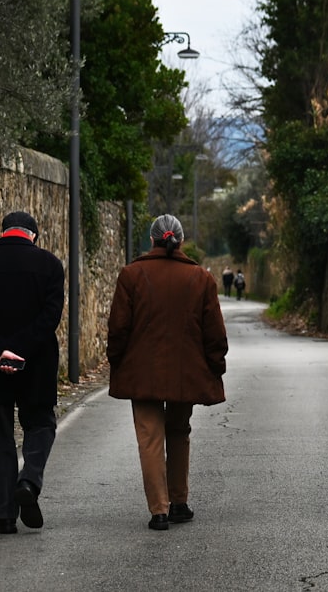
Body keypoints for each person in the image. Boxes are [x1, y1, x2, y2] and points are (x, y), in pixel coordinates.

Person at [106, 214, 228, 531]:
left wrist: (116, 361)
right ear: (180, 241)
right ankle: (179, 501)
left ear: (152, 240)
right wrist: (216, 366)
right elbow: (214, 333)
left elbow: (118, 327)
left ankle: (158, 510)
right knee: (178, 431)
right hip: (184, 372)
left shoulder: (131, 275)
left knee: (149, 439)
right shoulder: (201, 278)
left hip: (141, 373)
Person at [0, 211, 65, 535]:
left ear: (2, 232)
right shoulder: (49, 265)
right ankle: (29, 482)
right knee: (41, 424)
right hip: (37, 361)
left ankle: (5, 516)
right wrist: (21, 349)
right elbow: (51, 316)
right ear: (34, 235)